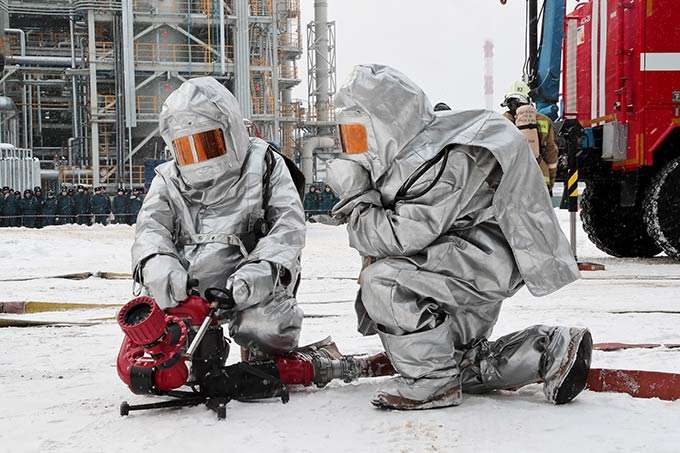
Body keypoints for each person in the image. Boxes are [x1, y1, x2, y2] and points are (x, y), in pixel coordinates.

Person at [325, 65, 589, 411]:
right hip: (471, 257)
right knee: (458, 361)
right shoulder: (424, 148)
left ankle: (431, 385)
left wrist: (356, 196)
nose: (354, 149)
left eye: (358, 136)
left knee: (384, 283)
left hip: (480, 260)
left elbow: (395, 237)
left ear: (385, 124)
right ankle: (549, 349)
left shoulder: (443, 160)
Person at [132, 76, 305, 356]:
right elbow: (151, 230)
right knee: (165, 342)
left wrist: (259, 273)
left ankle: (262, 361)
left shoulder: (264, 164)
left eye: (208, 144)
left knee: (265, 329)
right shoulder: (167, 178)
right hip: (187, 285)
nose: (200, 158)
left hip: (250, 278)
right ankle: (201, 357)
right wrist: (159, 264)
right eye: (188, 149)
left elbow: (288, 225)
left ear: (231, 131)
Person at [501, 80, 559, 195]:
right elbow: (551, 152)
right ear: (528, 100)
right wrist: (551, 180)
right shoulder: (544, 121)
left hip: (512, 182)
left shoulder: (501, 122)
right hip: (540, 179)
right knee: (538, 213)